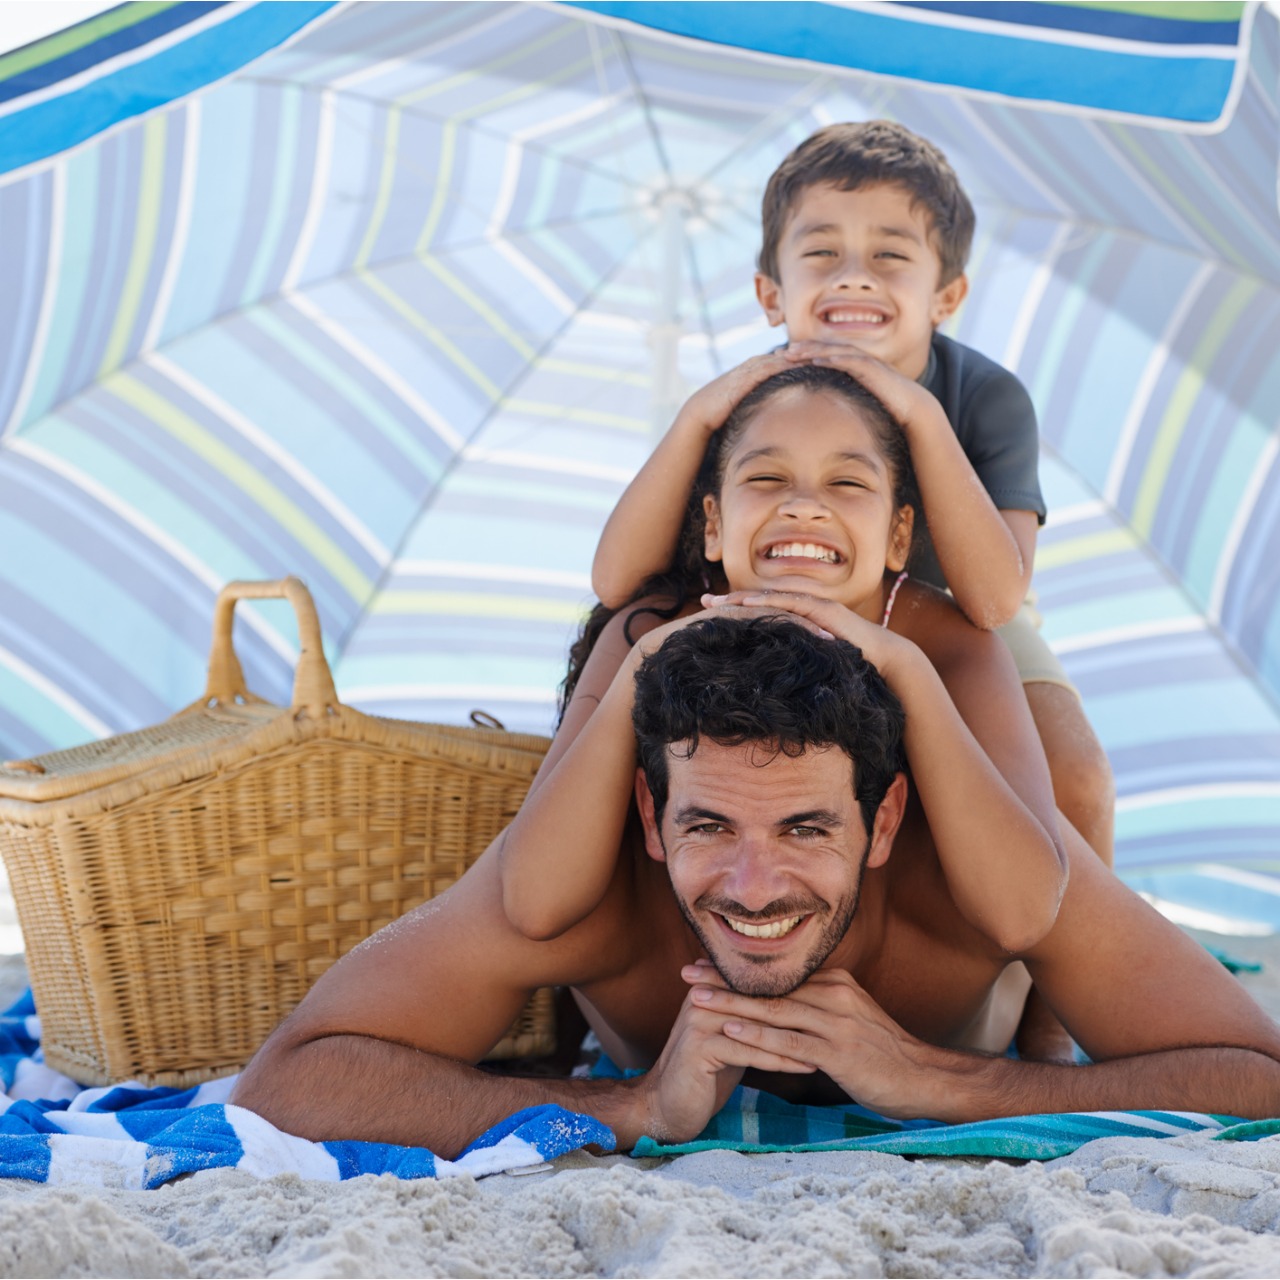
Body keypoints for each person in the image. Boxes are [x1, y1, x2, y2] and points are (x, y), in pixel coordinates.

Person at [230, 615, 1280, 1160]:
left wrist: (950, 1081)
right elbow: (287, 1080)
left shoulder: (969, 879)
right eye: (705, 823)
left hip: (989, 975)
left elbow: (1259, 1073)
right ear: (648, 818)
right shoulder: (586, 893)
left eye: (805, 826)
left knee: (1055, 767)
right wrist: (630, 1102)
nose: (753, 883)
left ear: (883, 823)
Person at [590, 120, 1116, 870]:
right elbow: (616, 581)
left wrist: (918, 413)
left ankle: (1052, 991)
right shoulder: (751, 403)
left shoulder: (986, 398)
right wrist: (696, 416)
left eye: (890, 257)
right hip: (778, 605)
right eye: (822, 252)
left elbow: (996, 600)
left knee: (1079, 779)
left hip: (953, 617)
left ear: (947, 295)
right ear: (772, 294)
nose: (855, 276)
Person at [501, 365, 1066, 971]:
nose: (803, 506)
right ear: (714, 525)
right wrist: (641, 662)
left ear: (899, 536)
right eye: (767, 477)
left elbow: (1022, 915)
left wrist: (906, 668)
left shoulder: (950, 648)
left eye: (847, 482)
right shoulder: (650, 629)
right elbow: (536, 904)